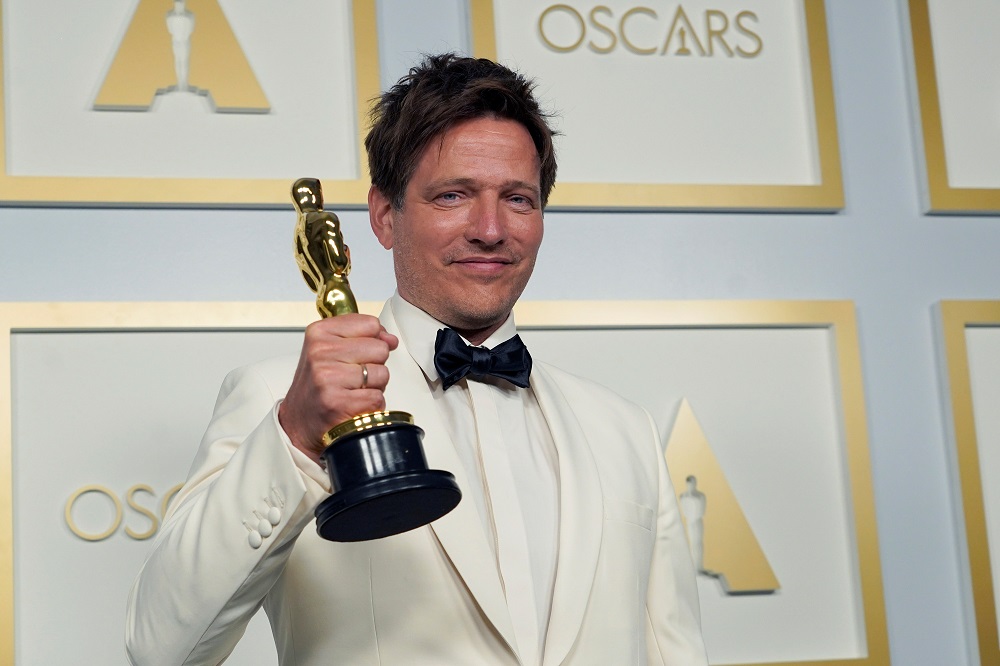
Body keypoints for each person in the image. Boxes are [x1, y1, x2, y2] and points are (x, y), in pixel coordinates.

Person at [125, 53, 707, 665]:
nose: (490, 229)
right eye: (453, 196)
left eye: (518, 199)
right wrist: (294, 434)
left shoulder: (624, 428)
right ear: (384, 216)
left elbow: (675, 650)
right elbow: (160, 648)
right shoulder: (277, 399)